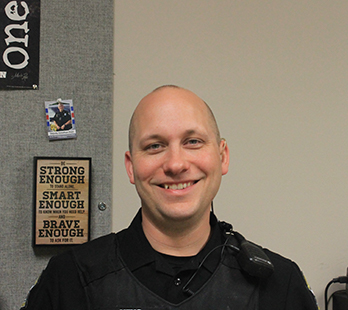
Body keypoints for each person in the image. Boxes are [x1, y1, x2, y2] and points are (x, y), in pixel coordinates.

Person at [21, 85, 319, 309]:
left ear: (222, 156)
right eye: (154, 146)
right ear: (131, 167)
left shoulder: (279, 284)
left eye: (193, 141)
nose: (176, 164)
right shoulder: (69, 281)